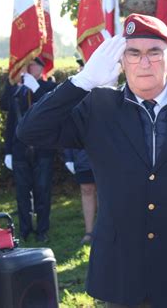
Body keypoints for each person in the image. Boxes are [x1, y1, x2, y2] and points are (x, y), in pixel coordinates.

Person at [17, 14, 167, 308]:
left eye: (154, 52)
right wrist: (82, 82)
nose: (144, 62)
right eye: (133, 53)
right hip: (123, 276)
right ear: (121, 60)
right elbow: (31, 131)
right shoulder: (98, 107)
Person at [0, 57, 57, 243]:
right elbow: (7, 114)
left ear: (42, 68)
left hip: (43, 148)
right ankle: (25, 230)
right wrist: (8, 150)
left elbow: (52, 108)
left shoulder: (49, 88)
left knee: (42, 191)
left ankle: (42, 230)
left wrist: (37, 89)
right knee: (22, 193)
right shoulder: (17, 89)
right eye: (28, 64)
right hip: (19, 148)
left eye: (35, 64)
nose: (31, 67)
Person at [64, 56, 99, 245]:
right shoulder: (75, 93)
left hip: (104, 152)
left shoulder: (107, 91)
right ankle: (89, 231)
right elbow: (70, 126)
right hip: (82, 153)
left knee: (106, 192)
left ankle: (105, 229)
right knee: (86, 190)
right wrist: (68, 156)